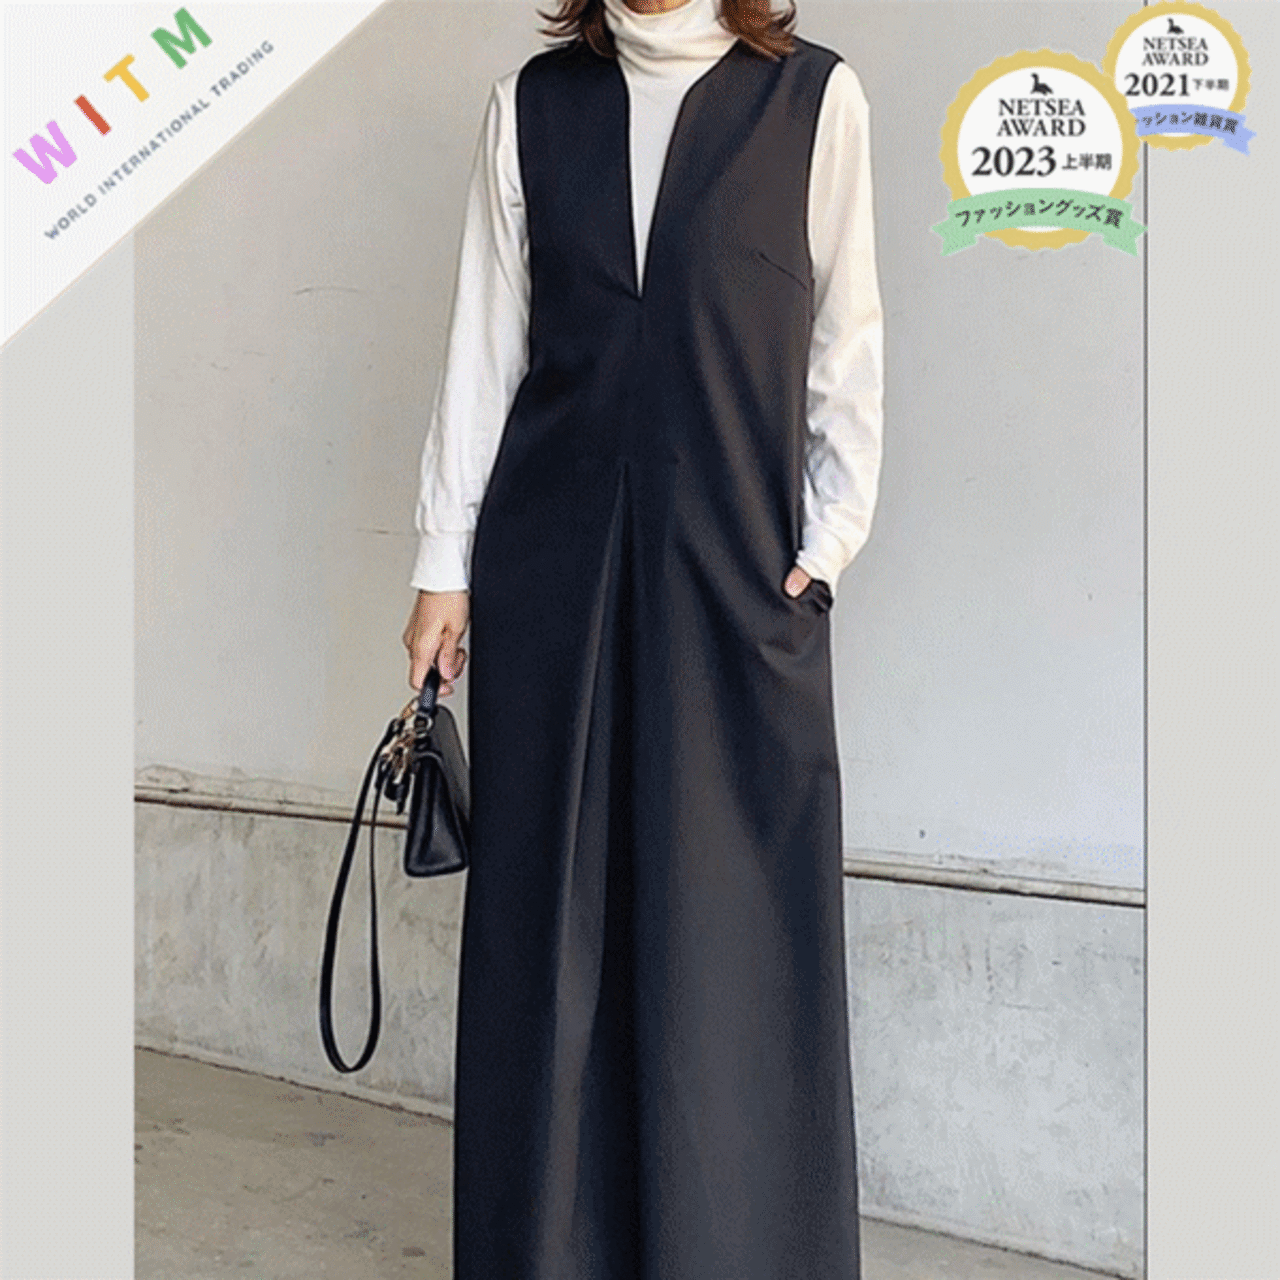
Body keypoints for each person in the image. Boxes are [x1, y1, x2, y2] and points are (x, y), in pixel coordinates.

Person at [402, 0, 883, 1273]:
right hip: (549, 580)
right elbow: (483, 347)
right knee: (549, 926)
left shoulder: (811, 102)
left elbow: (845, 342)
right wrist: (442, 566)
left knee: (730, 921)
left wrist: (825, 545)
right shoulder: (531, 108)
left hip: (737, 579)